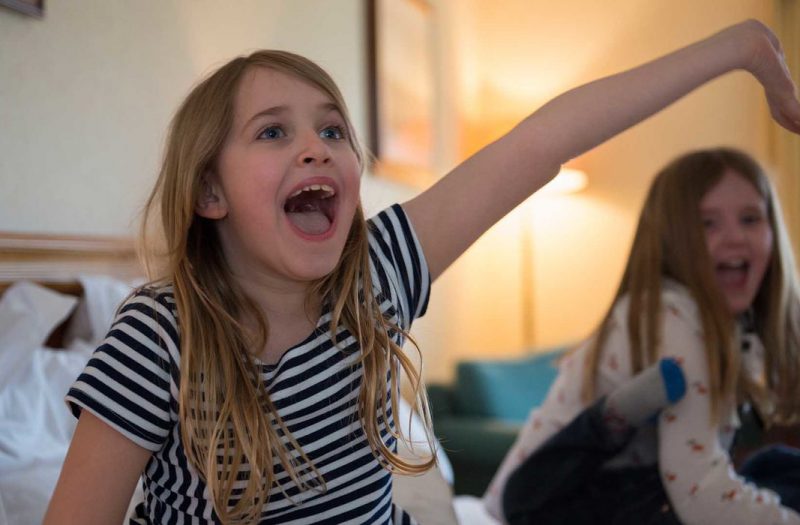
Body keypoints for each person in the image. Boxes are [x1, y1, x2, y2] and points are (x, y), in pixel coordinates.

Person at [44, 19, 800, 525]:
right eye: (274, 131)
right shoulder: (160, 331)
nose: (316, 147)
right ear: (209, 192)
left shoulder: (375, 273)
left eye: (332, 128)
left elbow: (544, 141)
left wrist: (734, 50)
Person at [484, 147, 800, 525]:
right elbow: (698, 489)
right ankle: (614, 414)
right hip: (544, 501)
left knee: (779, 469)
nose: (735, 237)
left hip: (634, 489)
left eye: (750, 219)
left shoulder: (741, 320)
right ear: (672, 241)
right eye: (707, 224)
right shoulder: (670, 315)